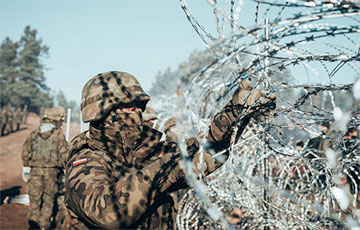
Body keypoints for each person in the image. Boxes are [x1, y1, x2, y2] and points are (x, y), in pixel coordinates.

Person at [64, 71, 276, 229]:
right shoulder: (85, 162)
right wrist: (167, 169)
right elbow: (111, 214)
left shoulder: (153, 152)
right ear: (103, 113)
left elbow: (209, 154)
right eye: (129, 107)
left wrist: (235, 115)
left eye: (140, 106)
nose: (138, 112)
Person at [22, 107, 69, 229]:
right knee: (49, 200)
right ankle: (44, 226)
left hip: (35, 171)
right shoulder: (58, 135)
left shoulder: (34, 133)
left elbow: (25, 152)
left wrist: (26, 167)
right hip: (52, 173)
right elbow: (65, 155)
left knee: (34, 200)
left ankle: (33, 225)